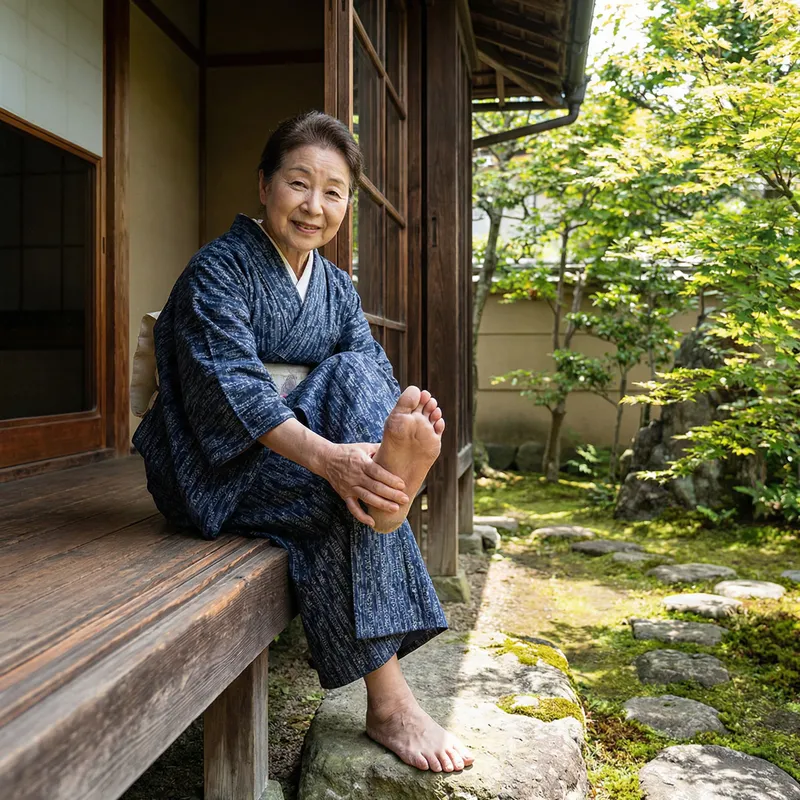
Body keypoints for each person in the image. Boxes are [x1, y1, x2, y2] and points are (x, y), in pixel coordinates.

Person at [133, 110, 474, 773]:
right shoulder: (218, 270)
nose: (314, 206)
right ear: (264, 186)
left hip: (300, 454)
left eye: (333, 191)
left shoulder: (335, 287)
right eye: (299, 183)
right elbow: (234, 390)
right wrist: (333, 461)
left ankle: (383, 484)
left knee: (358, 377)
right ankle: (390, 698)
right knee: (340, 499)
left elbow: (367, 372)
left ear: (346, 206)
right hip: (211, 468)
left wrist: (350, 460)